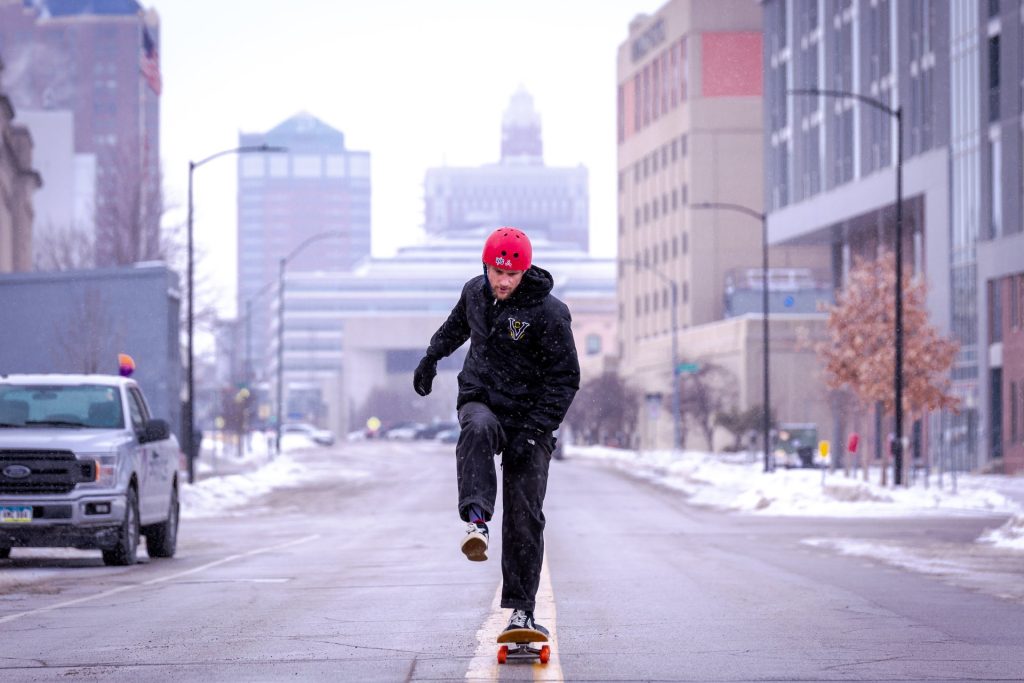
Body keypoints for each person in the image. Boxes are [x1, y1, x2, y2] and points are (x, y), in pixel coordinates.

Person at [413, 226, 580, 638]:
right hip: (482, 397)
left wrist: (536, 429)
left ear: (525, 271)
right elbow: (455, 328)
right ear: (486, 266)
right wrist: (431, 358)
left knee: (525, 516)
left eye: (512, 274)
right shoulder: (475, 292)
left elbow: (565, 379)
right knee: (477, 428)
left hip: (531, 418)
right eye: (496, 272)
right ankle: (476, 522)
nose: (502, 282)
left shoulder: (549, 313)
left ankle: (522, 612)